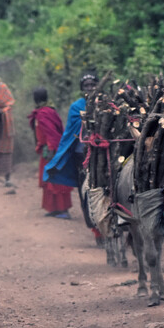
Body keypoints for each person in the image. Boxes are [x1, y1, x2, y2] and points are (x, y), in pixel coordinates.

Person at [43, 71, 101, 239]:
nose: (90, 88)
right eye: (86, 86)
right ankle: (95, 229)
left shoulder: (105, 104)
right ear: (81, 88)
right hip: (81, 156)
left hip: (102, 155)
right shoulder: (76, 107)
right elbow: (70, 133)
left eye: (92, 85)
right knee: (86, 191)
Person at [28, 87, 73, 218]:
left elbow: (52, 133)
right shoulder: (47, 111)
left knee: (55, 179)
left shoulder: (44, 113)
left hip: (51, 150)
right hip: (48, 150)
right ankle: (55, 209)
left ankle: (64, 210)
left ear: (36, 99)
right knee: (49, 179)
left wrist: (53, 150)